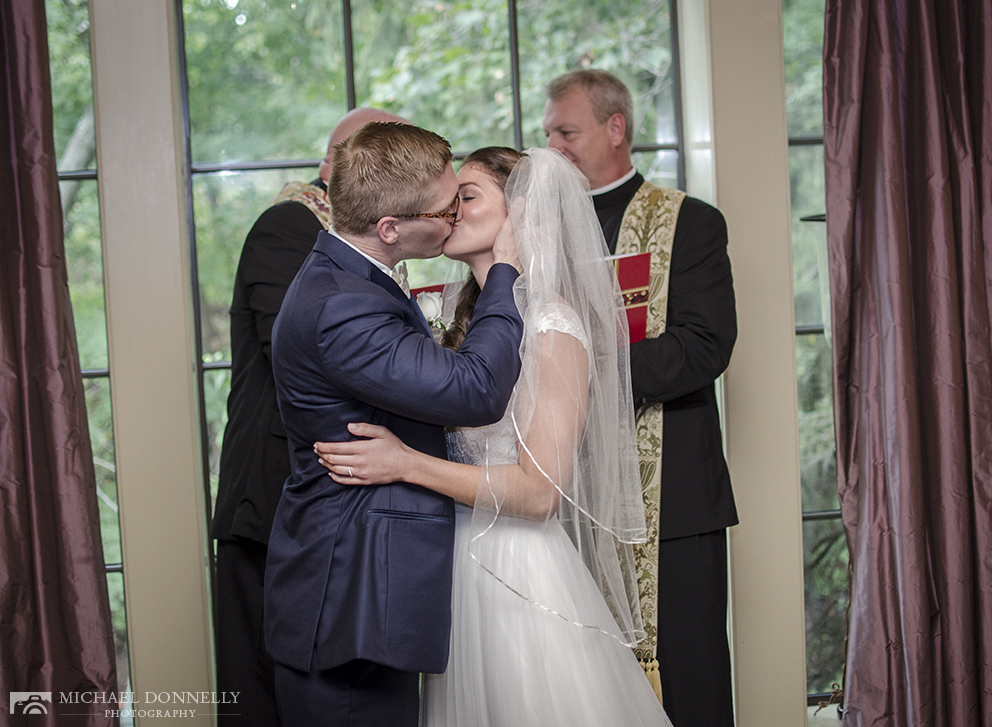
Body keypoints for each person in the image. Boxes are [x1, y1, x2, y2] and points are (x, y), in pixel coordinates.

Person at [315, 147, 673, 726]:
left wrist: (404, 463)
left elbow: (537, 495)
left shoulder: (551, 323)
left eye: (468, 197)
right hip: (443, 567)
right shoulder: (456, 313)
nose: (450, 212)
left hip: (518, 572)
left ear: (522, 213)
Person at [262, 123, 524, 727]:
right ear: (389, 228)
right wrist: (505, 272)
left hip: (363, 577)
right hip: (352, 592)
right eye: (447, 206)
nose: (456, 213)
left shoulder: (353, 278)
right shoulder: (343, 305)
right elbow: (477, 389)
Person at [543, 69, 738, 727]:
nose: (554, 148)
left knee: (690, 680)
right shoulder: (540, 238)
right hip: (573, 495)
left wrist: (583, 375)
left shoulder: (689, 222)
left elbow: (705, 347)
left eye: (566, 132)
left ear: (615, 128)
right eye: (548, 135)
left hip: (674, 496)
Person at [210, 106, 405, 726]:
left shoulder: (365, 241)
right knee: (265, 692)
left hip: (330, 497)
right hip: (272, 497)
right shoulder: (288, 229)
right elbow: (320, 352)